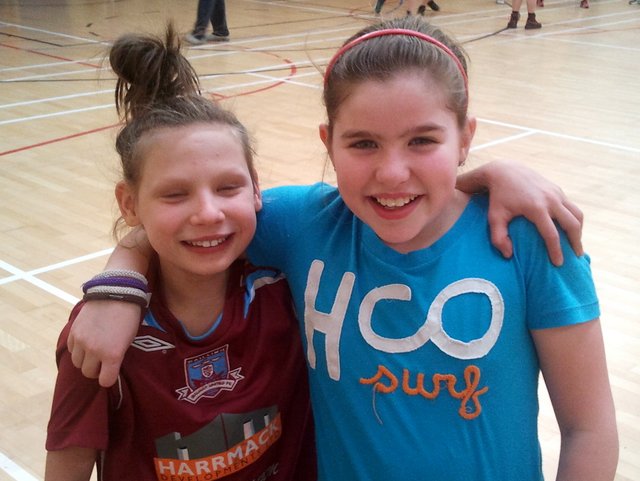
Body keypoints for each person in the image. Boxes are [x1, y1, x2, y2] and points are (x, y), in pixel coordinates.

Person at [65, 16, 619, 481]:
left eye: (423, 140)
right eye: (363, 143)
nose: (392, 172)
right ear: (329, 143)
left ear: (465, 138)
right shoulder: (304, 224)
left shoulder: (530, 237)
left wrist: (496, 174)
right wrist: (120, 281)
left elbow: (588, 429)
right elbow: (192, 224)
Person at [44, 25, 316, 481]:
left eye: (228, 187)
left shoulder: (289, 283)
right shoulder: (96, 336)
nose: (208, 213)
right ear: (129, 204)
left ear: (256, 189)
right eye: (175, 194)